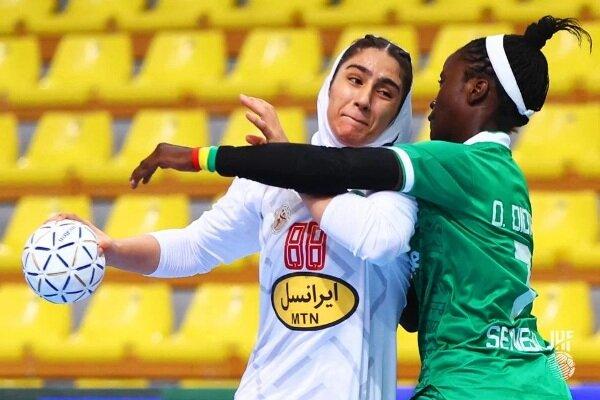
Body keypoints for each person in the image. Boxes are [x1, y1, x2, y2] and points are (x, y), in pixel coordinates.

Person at [133, 16, 592, 400]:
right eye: (353, 79)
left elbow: (337, 168)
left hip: (469, 383)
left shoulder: (446, 164)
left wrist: (201, 157)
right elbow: (415, 312)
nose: (432, 103)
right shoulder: (507, 179)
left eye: (442, 83)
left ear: (476, 89)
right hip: (540, 379)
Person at [55, 36, 419, 400]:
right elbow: (195, 247)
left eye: (384, 92)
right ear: (330, 85)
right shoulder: (266, 182)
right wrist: (113, 249)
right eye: (355, 79)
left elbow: (377, 241)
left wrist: (287, 165)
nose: (363, 99)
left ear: (398, 113)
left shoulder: (398, 192)